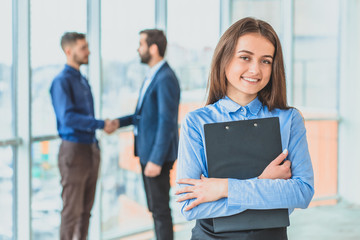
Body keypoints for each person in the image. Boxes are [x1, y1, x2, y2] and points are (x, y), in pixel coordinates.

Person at [175, 17, 314, 239]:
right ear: (224, 59)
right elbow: (190, 205)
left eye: (265, 61)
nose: (255, 69)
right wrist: (264, 184)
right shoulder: (197, 122)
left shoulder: (289, 120)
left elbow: (302, 192)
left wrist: (224, 188)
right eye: (245, 57)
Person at [50, 32, 117, 240]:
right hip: (74, 151)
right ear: (68, 51)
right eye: (83, 48)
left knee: (86, 211)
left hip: (90, 149)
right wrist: (100, 124)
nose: (88, 52)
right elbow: (68, 118)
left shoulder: (82, 80)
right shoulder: (61, 82)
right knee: (71, 212)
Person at [114, 29, 180, 240]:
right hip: (149, 154)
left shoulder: (165, 78)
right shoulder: (154, 75)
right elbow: (143, 115)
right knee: (156, 208)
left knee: (160, 210)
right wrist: (117, 123)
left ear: (153, 48)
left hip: (155, 157)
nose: (138, 49)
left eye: (141, 44)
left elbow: (167, 122)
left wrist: (155, 160)